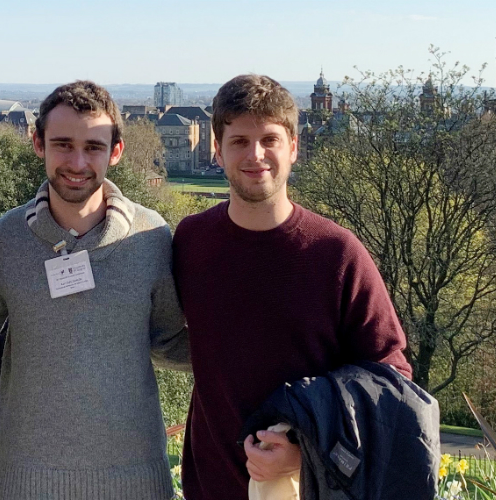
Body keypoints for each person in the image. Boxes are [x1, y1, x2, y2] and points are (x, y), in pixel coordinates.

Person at [173, 73, 413, 500]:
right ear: (217, 150)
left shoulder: (336, 252)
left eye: (270, 139)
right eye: (239, 141)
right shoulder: (191, 241)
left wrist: (308, 453)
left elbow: (392, 377)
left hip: (305, 489)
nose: (256, 154)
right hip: (210, 487)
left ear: (294, 148)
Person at [0, 80, 189, 500]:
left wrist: (259, 348)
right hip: (27, 484)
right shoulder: (3, 242)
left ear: (116, 152)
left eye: (93, 147)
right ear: (38, 144)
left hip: (137, 483)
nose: (77, 162)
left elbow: (169, 343)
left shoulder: (151, 237)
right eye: (63, 145)